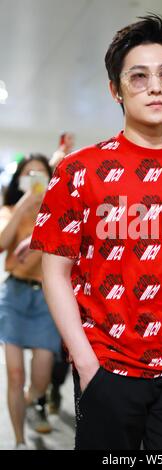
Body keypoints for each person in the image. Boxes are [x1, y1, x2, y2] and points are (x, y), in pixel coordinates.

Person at [29, 14, 162, 450]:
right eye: (139, 76)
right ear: (116, 90)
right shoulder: (78, 171)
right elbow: (54, 272)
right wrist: (87, 366)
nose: (155, 86)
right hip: (106, 366)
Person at [0, 154, 61, 449]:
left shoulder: (58, 212)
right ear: (20, 179)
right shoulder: (10, 209)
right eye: (29, 174)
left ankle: (28, 400)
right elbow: (1, 242)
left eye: (41, 174)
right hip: (14, 295)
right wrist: (25, 201)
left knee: (41, 377)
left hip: (46, 298)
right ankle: (20, 442)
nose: (35, 179)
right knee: (14, 373)